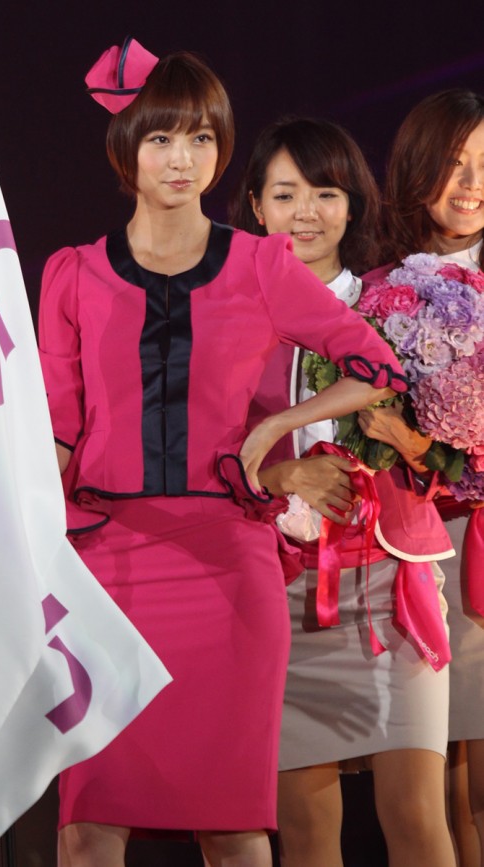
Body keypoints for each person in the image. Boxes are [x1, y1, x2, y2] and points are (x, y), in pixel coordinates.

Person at [39, 41, 407, 867]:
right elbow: (58, 433)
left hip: (228, 568)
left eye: (202, 138)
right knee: (87, 826)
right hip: (104, 568)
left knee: (233, 826)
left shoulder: (260, 264)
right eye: (162, 138)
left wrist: (274, 429)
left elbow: (377, 368)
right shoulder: (72, 274)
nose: (183, 158)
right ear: (125, 148)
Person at [230, 116, 456, 867]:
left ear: (352, 203)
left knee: (418, 819)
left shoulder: (404, 304)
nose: (307, 213)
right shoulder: (224, 317)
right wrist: (277, 475)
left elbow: (449, 458)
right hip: (279, 592)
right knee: (306, 835)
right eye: (285, 194)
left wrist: (406, 438)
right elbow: (200, 456)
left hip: (393, 585)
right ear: (255, 206)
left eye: (326, 193)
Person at [361, 89, 484, 866]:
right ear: (417, 168)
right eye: (455, 162)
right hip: (424, 550)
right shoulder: (378, 293)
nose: (472, 183)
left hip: (478, 546)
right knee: (445, 791)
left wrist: (425, 442)